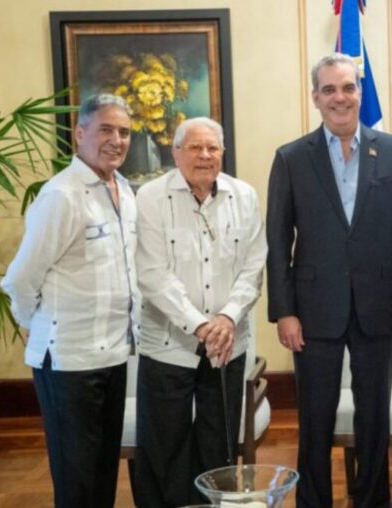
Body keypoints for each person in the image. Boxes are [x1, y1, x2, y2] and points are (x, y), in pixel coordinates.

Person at [266, 53, 392, 508]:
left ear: (361, 92)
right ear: (315, 97)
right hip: (313, 311)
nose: (340, 97)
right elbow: (278, 241)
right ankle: (313, 502)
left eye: (349, 88)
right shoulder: (292, 158)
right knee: (315, 419)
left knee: (374, 417)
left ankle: (371, 500)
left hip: (380, 305)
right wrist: (285, 311)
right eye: (330, 89)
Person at [1, 94, 138, 508]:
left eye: (125, 132)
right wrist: (35, 325)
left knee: (102, 473)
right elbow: (22, 278)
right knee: (77, 480)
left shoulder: (125, 190)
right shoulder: (61, 195)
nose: (116, 140)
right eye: (106, 130)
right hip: (69, 362)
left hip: (113, 355)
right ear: (80, 134)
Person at [133, 117, 267, 507]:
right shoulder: (151, 197)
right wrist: (202, 325)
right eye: (194, 147)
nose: (205, 155)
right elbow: (152, 274)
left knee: (219, 448)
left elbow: (254, 266)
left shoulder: (244, 196)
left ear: (222, 154)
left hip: (227, 346)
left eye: (212, 148)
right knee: (165, 449)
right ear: (175, 153)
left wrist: (226, 318)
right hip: (167, 345)